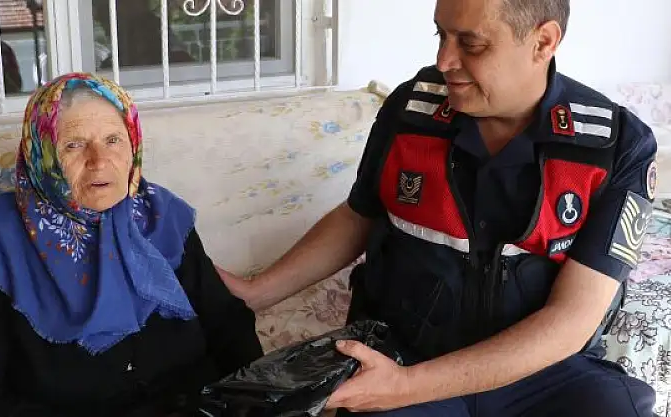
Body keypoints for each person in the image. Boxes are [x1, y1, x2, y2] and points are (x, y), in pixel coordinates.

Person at [217, 0, 659, 415]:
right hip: (406, 350)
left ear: (543, 42)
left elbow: (572, 321)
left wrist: (404, 387)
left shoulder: (613, 146)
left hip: (542, 370)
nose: (445, 60)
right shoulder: (413, 111)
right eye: (441, 36)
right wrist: (256, 292)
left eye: (471, 44)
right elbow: (359, 214)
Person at [0, 72, 263, 417]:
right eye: (74, 145)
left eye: (113, 140)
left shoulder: (160, 216)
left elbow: (228, 325)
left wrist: (255, 403)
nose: (99, 160)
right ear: (41, 153)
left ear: (133, 144)